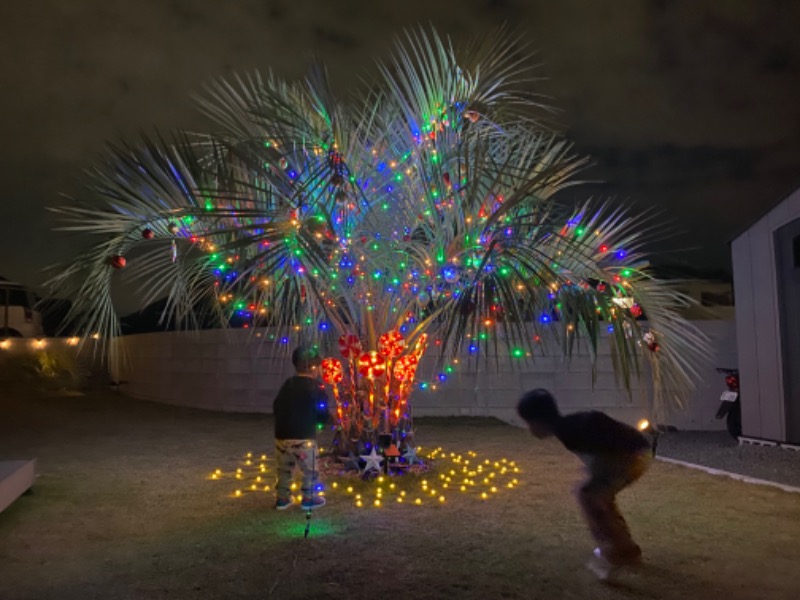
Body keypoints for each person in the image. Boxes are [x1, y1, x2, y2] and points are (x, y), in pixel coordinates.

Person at [516, 389, 652, 581]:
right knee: (598, 497)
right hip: (637, 453)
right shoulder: (567, 429)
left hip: (633, 455)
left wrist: (603, 467)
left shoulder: (571, 429)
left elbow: (597, 423)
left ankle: (611, 553)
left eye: (528, 423)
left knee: (589, 496)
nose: (529, 429)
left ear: (538, 422)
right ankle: (626, 549)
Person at [273, 346, 330, 511]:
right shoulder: (316, 387)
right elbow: (322, 410)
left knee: (284, 468)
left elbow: (276, 405)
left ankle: (282, 498)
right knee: (310, 469)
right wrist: (319, 424)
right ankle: (310, 497)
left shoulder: (288, 384)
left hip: (282, 436)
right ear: (314, 367)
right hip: (304, 436)